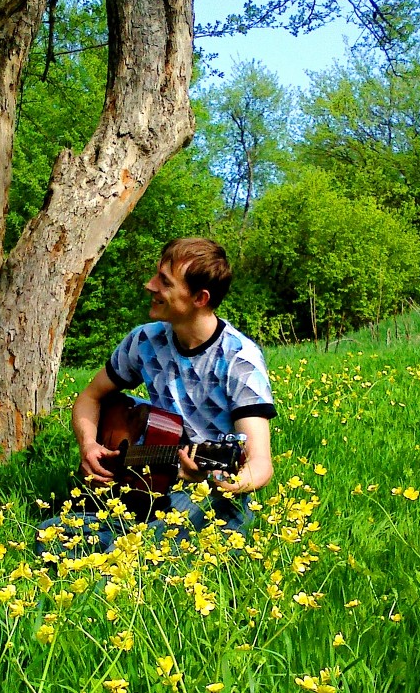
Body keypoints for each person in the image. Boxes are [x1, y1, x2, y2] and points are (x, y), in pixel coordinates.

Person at [40, 237, 276, 555]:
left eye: (164, 281)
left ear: (199, 297)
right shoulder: (144, 340)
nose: (149, 285)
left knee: (120, 562)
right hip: (149, 486)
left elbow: (260, 462)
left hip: (208, 497)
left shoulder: (239, 359)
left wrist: (231, 482)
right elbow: (90, 398)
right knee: (48, 535)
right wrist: (89, 445)